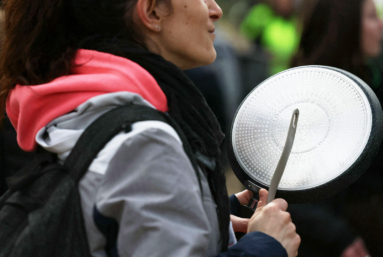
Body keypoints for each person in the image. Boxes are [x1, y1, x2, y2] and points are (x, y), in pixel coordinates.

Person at [0, 0, 300, 256]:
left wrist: (202, 211)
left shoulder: (84, 107)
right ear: (152, 12)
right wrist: (267, 245)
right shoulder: (144, 141)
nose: (216, 10)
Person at [291, 0, 383, 256]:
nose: (381, 25)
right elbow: (290, 192)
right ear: (345, 27)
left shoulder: (367, 84)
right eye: (371, 17)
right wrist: (339, 238)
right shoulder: (311, 100)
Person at [240, 0, 300, 75]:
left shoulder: (297, 23)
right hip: (258, 69)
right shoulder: (263, 13)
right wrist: (261, 53)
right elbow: (244, 37)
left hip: (282, 74)